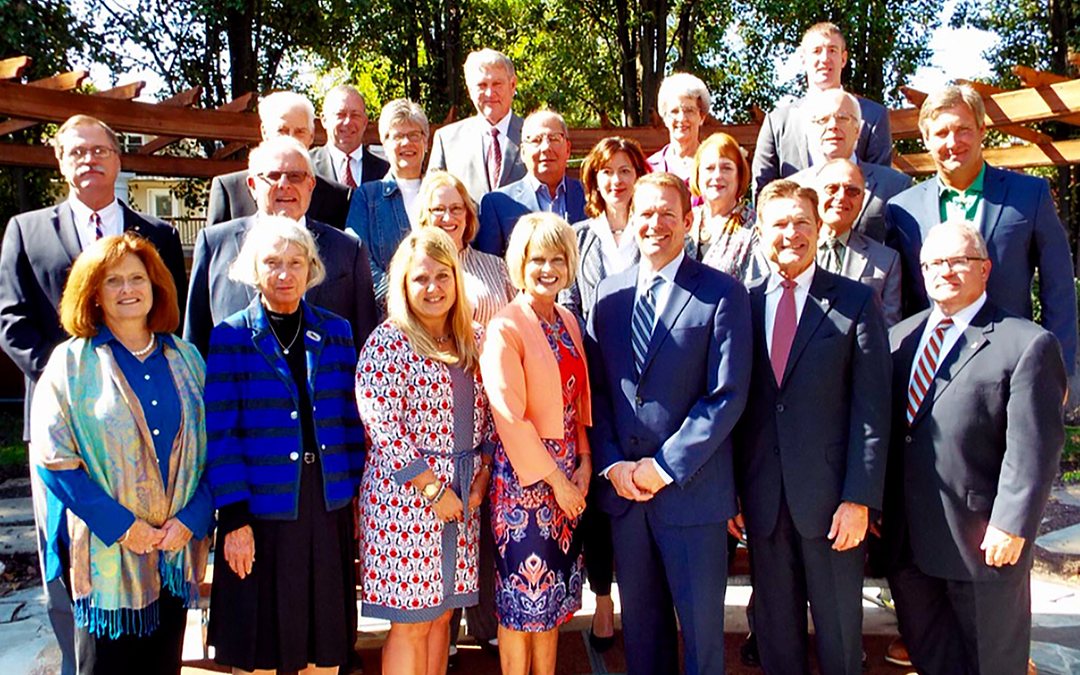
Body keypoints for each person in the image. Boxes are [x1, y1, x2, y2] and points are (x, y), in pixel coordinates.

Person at [0, 114, 187, 675]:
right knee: (72, 573)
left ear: (118, 157)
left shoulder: (158, 235)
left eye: (100, 150)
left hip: (149, 433)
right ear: (60, 161)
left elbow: (169, 330)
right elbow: (12, 323)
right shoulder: (26, 230)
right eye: (76, 152)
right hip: (66, 435)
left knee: (154, 570)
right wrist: (75, 386)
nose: (89, 160)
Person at [880, 222, 1065, 675]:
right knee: (931, 658)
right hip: (909, 545)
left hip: (982, 543)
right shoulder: (898, 340)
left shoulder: (1025, 343)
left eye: (958, 260)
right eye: (934, 263)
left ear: (985, 268)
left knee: (992, 664)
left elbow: (1034, 446)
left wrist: (1011, 524)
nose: (945, 271)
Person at [585, 172, 752, 675]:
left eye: (666, 213)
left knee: (701, 639)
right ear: (631, 218)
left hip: (691, 495)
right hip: (626, 499)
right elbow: (597, 392)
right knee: (643, 637)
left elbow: (726, 396)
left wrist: (662, 467)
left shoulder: (722, 293)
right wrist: (614, 465)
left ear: (687, 220)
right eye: (646, 213)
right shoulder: (609, 296)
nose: (655, 223)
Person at [30, 233, 212, 675]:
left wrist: (192, 519)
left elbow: (216, 450)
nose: (128, 289)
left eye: (138, 278)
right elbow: (55, 460)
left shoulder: (186, 358)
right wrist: (123, 527)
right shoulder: (70, 363)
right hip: (106, 555)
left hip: (172, 551)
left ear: (156, 287)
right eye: (114, 281)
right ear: (93, 292)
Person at [733, 180, 890, 675]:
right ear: (760, 232)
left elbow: (873, 410)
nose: (791, 233)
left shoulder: (856, 302)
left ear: (820, 229)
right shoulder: (741, 303)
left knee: (841, 637)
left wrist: (859, 498)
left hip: (833, 505)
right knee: (777, 638)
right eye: (779, 223)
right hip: (762, 502)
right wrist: (734, 492)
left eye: (803, 221)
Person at [204, 216, 365, 674]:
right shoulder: (231, 335)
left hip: (324, 502)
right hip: (259, 511)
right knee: (260, 651)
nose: (284, 273)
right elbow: (222, 430)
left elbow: (350, 420)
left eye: (296, 262)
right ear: (253, 269)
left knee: (324, 643)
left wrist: (351, 495)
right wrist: (233, 518)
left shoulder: (336, 331)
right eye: (272, 262)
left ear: (311, 268)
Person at [355, 228, 494, 675]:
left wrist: (482, 475)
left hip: (462, 497)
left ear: (457, 279)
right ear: (403, 285)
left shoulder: (472, 337)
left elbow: (489, 414)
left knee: (442, 616)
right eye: (421, 279)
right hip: (406, 502)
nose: (433, 288)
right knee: (412, 623)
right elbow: (383, 428)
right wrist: (434, 490)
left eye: (442, 276)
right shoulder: (388, 342)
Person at [885, 83, 1078, 397]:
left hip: (1013, 365)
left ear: (982, 129)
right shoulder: (902, 209)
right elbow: (900, 299)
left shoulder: (1029, 196)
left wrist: (1062, 371)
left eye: (963, 129)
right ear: (926, 139)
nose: (953, 142)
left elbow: (1059, 289)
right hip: (931, 373)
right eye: (941, 133)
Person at [479, 212, 592, 675]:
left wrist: (584, 463)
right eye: (537, 259)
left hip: (569, 473)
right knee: (521, 602)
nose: (548, 268)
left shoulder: (568, 319)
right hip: (524, 486)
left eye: (557, 259)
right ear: (517, 265)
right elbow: (509, 416)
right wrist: (557, 483)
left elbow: (577, 401)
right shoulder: (505, 327)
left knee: (552, 602)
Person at [557, 136, 647, 650]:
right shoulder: (579, 236)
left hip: (650, 381)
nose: (616, 180)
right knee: (596, 495)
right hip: (593, 381)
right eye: (606, 172)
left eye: (626, 170)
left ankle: (645, 599)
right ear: (593, 182)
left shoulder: (656, 226)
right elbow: (568, 306)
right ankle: (604, 598)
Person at [185, 136, 378, 357]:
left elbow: (365, 341)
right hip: (235, 386)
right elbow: (194, 339)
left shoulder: (348, 249)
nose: (284, 184)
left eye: (296, 176)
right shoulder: (214, 244)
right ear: (252, 186)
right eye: (273, 176)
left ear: (310, 185)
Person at [752, 22, 894, 199]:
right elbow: (763, 191)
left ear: (843, 59)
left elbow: (880, 187)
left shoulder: (873, 116)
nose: (825, 58)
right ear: (803, 59)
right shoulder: (778, 121)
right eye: (817, 51)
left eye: (832, 50)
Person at [207, 91, 352, 229]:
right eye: (282, 131)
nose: (290, 138)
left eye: (300, 131)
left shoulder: (337, 197)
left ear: (311, 136)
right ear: (264, 132)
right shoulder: (230, 190)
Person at [787, 89, 912, 242]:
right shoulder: (792, 188)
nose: (833, 126)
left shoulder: (895, 185)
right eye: (822, 120)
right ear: (810, 131)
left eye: (842, 118)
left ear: (857, 130)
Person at [346, 99, 430, 305]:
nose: (406, 143)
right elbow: (359, 257)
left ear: (426, 142)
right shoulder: (367, 197)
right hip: (388, 312)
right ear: (384, 143)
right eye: (398, 136)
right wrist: (402, 298)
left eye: (414, 135)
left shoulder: (442, 193)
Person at [476, 109, 587, 256]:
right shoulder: (497, 204)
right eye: (536, 140)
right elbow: (489, 268)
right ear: (522, 152)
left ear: (568, 149)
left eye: (554, 138)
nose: (546, 147)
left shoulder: (590, 195)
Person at [428, 48, 527, 203]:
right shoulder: (447, 140)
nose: (489, 93)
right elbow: (432, 199)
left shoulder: (533, 136)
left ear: (512, 85)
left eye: (497, 84)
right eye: (482, 85)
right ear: (470, 90)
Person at [811, 158, 901, 326]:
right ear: (815, 195)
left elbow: (890, 329)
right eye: (832, 189)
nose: (841, 197)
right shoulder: (793, 250)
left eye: (852, 191)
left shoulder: (886, 260)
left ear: (862, 202)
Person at [418, 170, 515, 326]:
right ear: (424, 215)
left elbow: (519, 319)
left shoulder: (496, 266)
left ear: (467, 214)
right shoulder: (414, 270)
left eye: (456, 208)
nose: (448, 217)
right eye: (438, 209)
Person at [686, 132, 758, 280]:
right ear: (698, 175)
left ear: (739, 175)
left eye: (726, 168)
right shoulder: (685, 220)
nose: (717, 175)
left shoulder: (754, 226)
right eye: (710, 168)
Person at [311, 85, 390, 188]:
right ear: (324, 120)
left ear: (365, 122)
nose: (348, 122)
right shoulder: (307, 166)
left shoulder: (385, 171)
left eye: (355, 115)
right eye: (341, 114)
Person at [647, 73, 711, 187]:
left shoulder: (713, 166)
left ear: (702, 117)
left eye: (689, 110)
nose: (682, 118)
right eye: (674, 111)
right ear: (665, 118)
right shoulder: (650, 168)